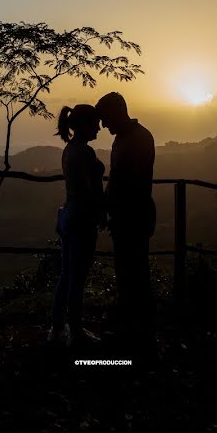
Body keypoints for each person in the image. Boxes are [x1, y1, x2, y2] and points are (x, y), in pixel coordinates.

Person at [94, 92, 157, 358]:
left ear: (117, 113)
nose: (103, 126)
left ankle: (137, 335)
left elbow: (131, 183)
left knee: (134, 273)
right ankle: (134, 331)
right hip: (127, 215)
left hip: (133, 216)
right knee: (129, 272)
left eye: (106, 119)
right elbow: (117, 180)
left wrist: (111, 206)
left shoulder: (138, 139)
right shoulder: (127, 137)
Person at [48, 104, 106, 348]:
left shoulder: (69, 149)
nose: (99, 128)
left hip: (68, 215)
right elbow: (91, 189)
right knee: (77, 277)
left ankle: (58, 327)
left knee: (66, 275)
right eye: (95, 123)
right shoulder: (84, 152)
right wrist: (102, 212)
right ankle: (76, 331)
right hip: (82, 218)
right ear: (85, 125)